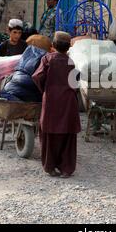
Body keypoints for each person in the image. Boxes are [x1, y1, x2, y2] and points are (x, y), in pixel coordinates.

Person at [32, 32, 81, 178]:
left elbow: (37, 76)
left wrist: (45, 89)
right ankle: (66, 169)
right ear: (68, 48)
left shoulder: (47, 59)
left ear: (53, 45)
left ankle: (50, 167)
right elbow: (75, 84)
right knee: (67, 135)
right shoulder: (71, 62)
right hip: (68, 103)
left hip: (51, 102)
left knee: (50, 134)